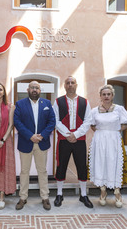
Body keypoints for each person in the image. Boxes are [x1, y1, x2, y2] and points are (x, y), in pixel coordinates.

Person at [14, 81, 56, 210]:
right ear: (28, 89)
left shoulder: (47, 104)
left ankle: (45, 197)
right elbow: (17, 121)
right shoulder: (20, 104)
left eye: (36, 88)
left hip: (42, 142)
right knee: (24, 171)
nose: (34, 90)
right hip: (26, 141)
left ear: (40, 90)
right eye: (32, 87)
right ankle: (23, 197)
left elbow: (52, 121)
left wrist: (42, 135)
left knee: (42, 171)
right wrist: (30, 136)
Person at [52, 76, 93, 208]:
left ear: (76, 84)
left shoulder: (85, 102)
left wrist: (75, 134)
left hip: (79, 140)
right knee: (61, 165)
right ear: (64, 86)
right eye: (68, 83)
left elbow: (88, 121)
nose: (70, 85)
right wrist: (67, 134)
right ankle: (59, 194)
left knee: (82, 166)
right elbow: (55, 120)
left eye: (72, 82)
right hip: (64, 140)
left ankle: (83, 195)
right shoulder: (58, 102)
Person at [88, 85, 127, 208]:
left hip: (114, 139)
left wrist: (113, 131)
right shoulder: (94, 110)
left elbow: (124, 124)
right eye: (104, 94)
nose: (106, 96)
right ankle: (103, 191)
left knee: (114, 163)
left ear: (112, 95)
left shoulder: (119, 109)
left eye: (108, 94)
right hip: (99, 139)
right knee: (100, 163)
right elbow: (92, 125)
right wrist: (102, 132)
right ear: (100, 96)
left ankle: (117, 192)